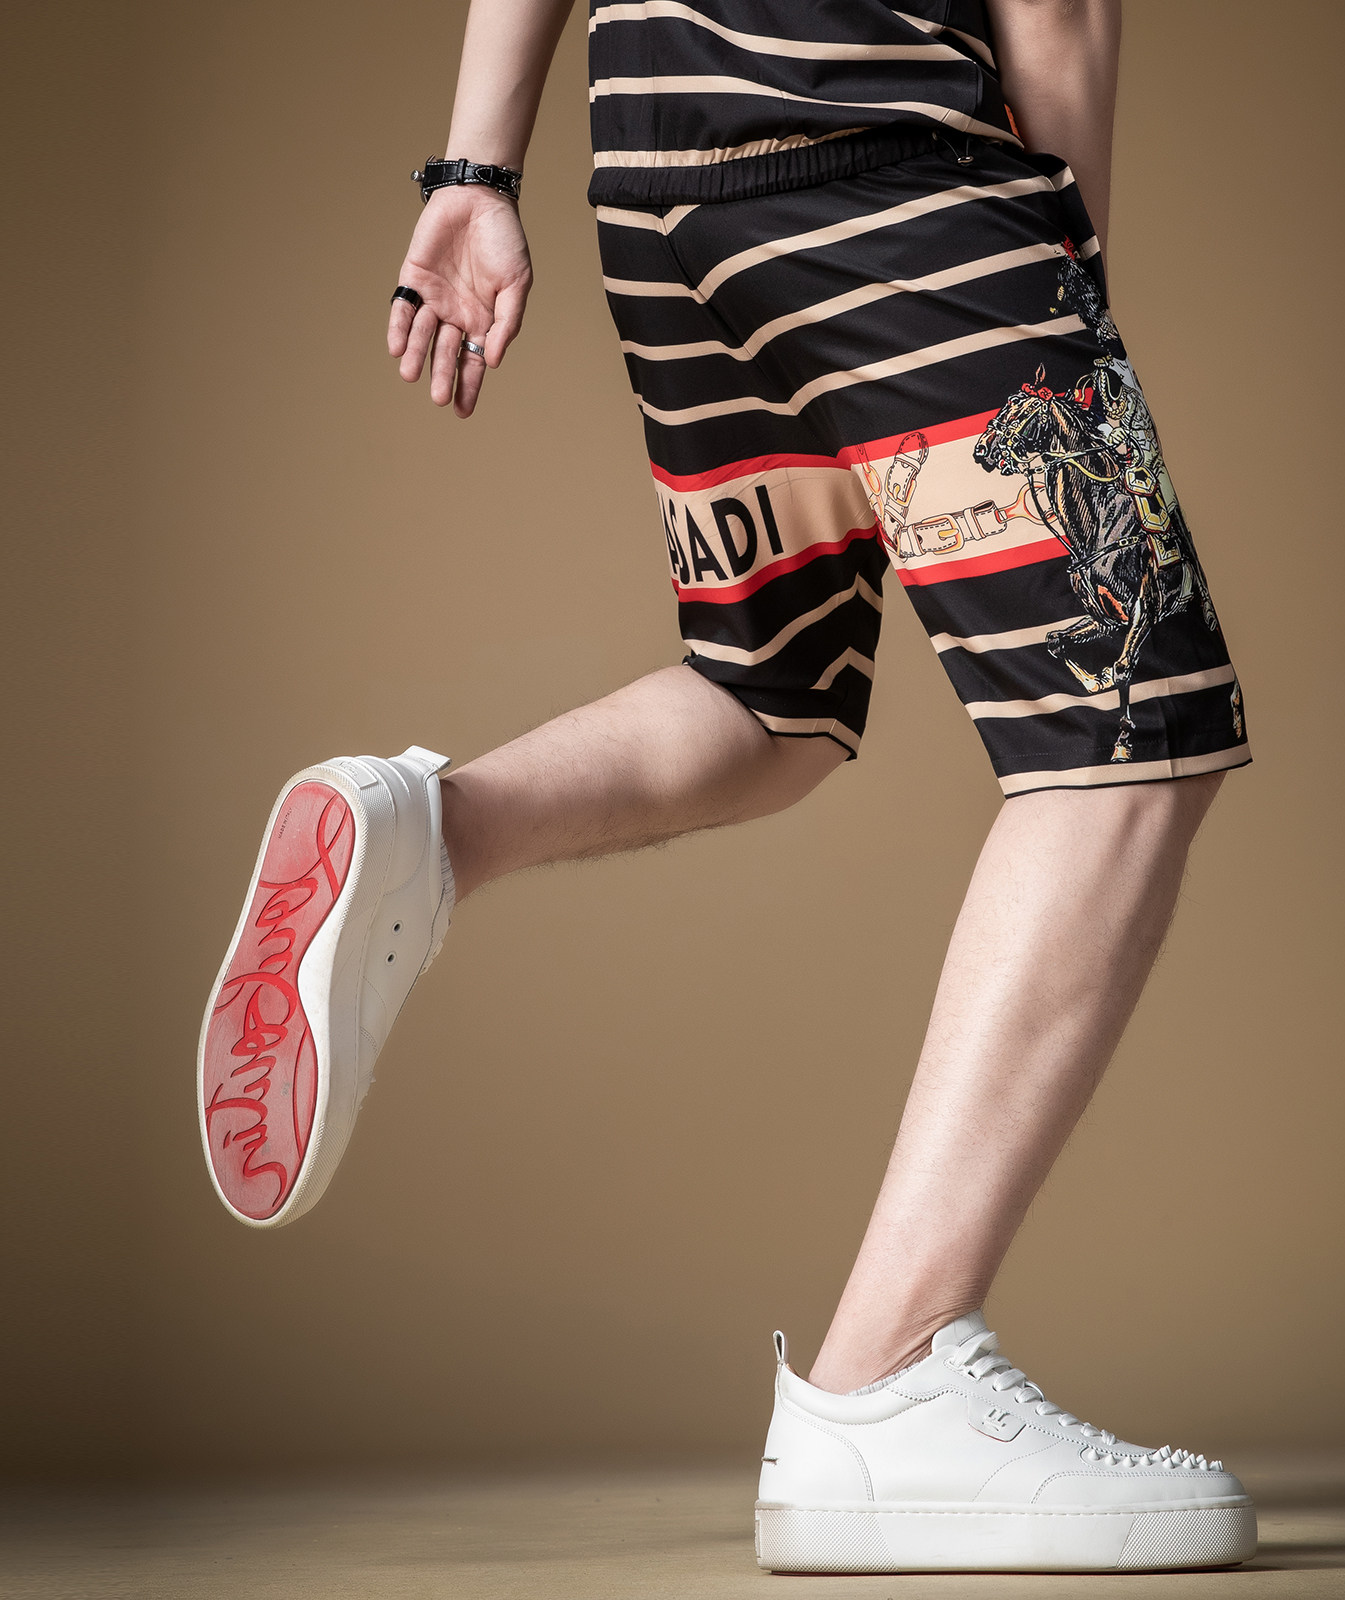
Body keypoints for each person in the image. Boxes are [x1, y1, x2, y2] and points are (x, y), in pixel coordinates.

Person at [197, 0, 1254, 1574]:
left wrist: (476, 170)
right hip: (878, 143)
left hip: (660, 170)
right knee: (1128, 721)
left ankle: (430, 830)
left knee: (770, 697)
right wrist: (1060, 283)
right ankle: (887, 1384)